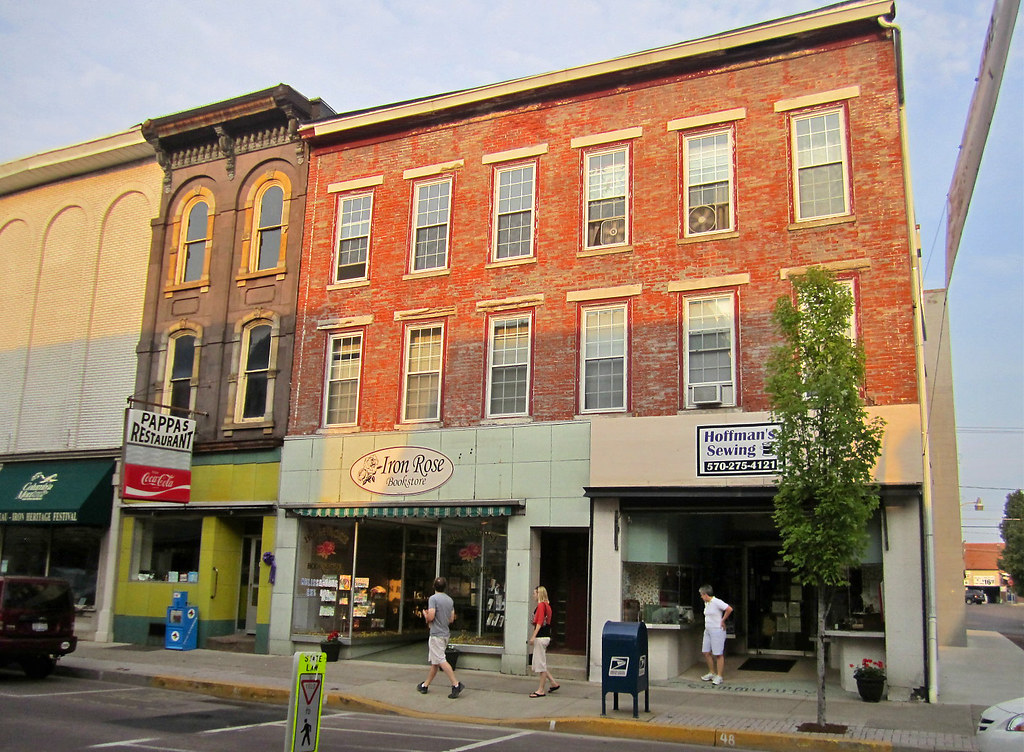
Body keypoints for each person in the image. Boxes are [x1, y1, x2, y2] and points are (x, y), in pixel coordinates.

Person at [417, 577, 464, 698]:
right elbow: (451, 619)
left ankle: (456, 684)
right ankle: (425, 685)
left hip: (436, 634)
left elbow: (431, 616)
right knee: (435, 662)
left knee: (441, 660)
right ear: (445, 587)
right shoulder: (449, 600)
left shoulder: (433, 599)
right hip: (445, 633)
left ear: (434, 586)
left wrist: (426, 616)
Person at [527, 585, 561, 697]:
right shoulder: (547, 606)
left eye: (534, 593)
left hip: (541, 636)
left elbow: (539, 622)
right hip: (545, 636)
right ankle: (553, 682)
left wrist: (533, 636)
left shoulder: (541, 606)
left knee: (540, 664)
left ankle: (541, 690)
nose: (533, 595)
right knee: (541, 662)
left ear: (539, 594)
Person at [699, 584, 733, 686]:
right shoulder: (707, 603)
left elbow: (729, 609)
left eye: (701, 595)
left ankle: (719, 676)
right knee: (706, 652)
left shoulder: (716, 601)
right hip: (708, 630)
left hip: (717, 630)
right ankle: (712, 672)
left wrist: (723, 620)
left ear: (705, 594)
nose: (701, 597)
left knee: (718, 653)